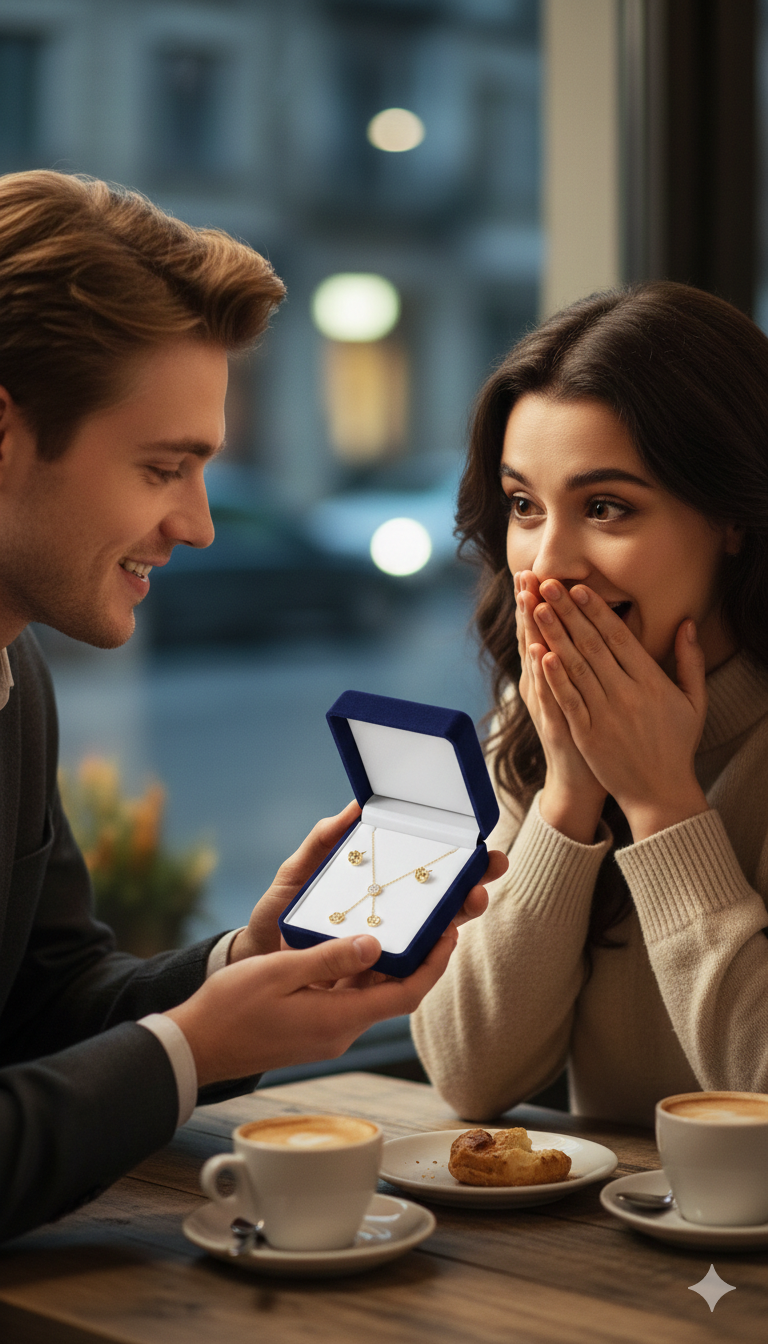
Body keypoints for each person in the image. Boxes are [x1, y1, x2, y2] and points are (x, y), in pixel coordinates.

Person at [0, 170, 505, 1243]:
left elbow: (44, 1003)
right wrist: (193, 1048)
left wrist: (244, 970)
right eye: (161, 468)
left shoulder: (14, 674)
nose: (199, 525)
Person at [412, 281, 768, 1128]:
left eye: (605, 508)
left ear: (732, 518)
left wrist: (661, 803)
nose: (547, 563)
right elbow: (468, 1072)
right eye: (524, 507)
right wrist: (568, 796)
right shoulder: (540, 717)